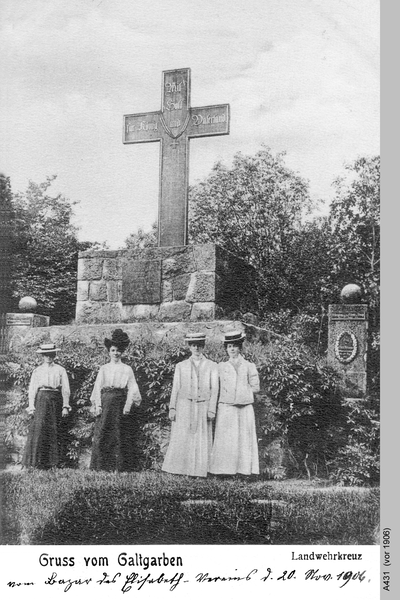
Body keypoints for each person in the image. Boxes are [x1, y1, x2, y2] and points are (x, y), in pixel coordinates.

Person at [162, 332, 219, 477]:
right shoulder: (181, 366)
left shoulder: (212, 365)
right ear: (189, 347)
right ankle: (181, 469)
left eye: (199, 345)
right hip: (184, 405)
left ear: (203, 346)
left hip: (203, 405)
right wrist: (172, 407)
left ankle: (200, 470)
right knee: (183, 436)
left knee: (201, 437)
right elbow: (175, 387)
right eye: (193, 345)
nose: (196, 348)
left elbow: (215, 389)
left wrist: (212, 409)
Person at [90, 329, 142, 471]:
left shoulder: (127, 369)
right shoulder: (104, 369)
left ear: (122, 352)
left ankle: (120, 466)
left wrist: (128, 405)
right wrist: (98, 405)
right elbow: (97, 387)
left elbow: (132, 388)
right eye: (113, 350)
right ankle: (101, 466)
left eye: (119, 350)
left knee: (120, 432)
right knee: (103, 432)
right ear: (109, 352)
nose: (116, 353)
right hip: (106, 401)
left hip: (120, 402)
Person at [210, 330, 260, 476]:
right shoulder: (220, 367)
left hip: (245, 407)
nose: (232, 349)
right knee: (226, 438)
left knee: (244, 438)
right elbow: (215, 387)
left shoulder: (249, 366)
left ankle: (244, 471)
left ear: (240, 347)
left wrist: (243, 393)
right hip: (226, 406)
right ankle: (223, 471)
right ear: (226, 349)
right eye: (229, 346)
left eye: (234, 346)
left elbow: (256, 387)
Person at [23, 342, 71, 469]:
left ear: (54, 355)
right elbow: (32, 389)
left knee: (53, 429)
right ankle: (37, 462)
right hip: (41, 399)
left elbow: (65, 389)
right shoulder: (37, 371)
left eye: (51, 354)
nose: (48, 357)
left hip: (55, 400)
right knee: (39, 429)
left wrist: (65, 406)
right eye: (46, 355)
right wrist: (31, 406)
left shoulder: (60, 370)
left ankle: (53, 463)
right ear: (42, 356)